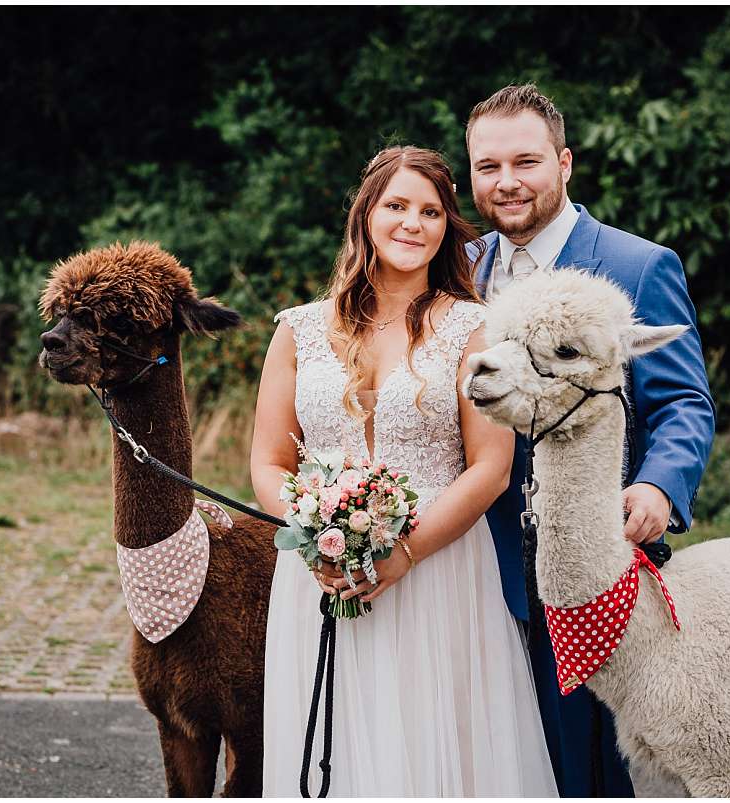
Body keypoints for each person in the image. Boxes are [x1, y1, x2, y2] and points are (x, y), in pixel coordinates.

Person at [250, 146, 558, 797]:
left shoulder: (474, 329)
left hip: (439, 573)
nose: (413, 223)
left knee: (430, 748)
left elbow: (490, 468)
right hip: (319, 578)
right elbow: (270, 459)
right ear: (366, 214)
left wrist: (404, 552)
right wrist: (312, 539)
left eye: (431, 211)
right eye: (397, 206)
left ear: (447, 225)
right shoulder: (299, 330)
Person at [466, 84, 717, 796]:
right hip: (473, 561)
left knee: (587, 772)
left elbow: (683, 403)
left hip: (589, 563)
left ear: (564, 162)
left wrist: (660, 483)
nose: (507, 182)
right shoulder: (457, 268)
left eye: (526, 161)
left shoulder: (638, 267)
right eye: (488, 166)